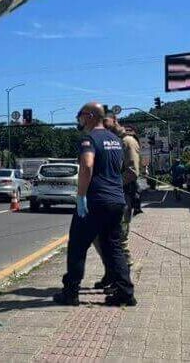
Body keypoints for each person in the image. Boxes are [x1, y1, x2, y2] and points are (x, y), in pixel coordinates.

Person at [54, 102, 136, 307]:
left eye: (80, 115)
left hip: (94, 202)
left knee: (77, 247)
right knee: (113, 247)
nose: (79, 119)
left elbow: (87, 166)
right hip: (116, 201)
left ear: (90, 116)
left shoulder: (89, 139)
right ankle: (125, 293)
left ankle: (71, 292)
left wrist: (81, 196)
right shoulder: (116, 140)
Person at [93, 116, 141, 290]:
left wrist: (110, 185)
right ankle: (111, 272)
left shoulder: (127, 141)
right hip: (106, 198)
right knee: (99, 238)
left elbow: (132, 171)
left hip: (121, 197)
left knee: (118, 239)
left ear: (114, 120)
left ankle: (123, 280)